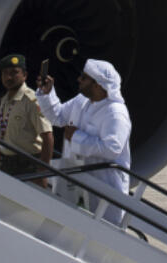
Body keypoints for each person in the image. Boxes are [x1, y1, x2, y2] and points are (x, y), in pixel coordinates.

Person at [37, 58, 131, 223]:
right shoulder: (82, 101)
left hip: (104, 187)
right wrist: (47, 94)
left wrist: (76, 137)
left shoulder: (115, 113)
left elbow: (112, 149)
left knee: (102, 236)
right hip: (76, 179)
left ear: (97, 85)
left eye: (84, 77)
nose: (79, 79)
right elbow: (58, 117)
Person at [0, 54, 53, 187]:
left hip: (28, 165)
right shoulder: (5, 100)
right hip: (7, 164)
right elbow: (6, 134)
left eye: (14, 73)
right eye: (5, 73)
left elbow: (48, 137)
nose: (9, 77)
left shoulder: (31, 100)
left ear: (25, 75)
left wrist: (42, 172)